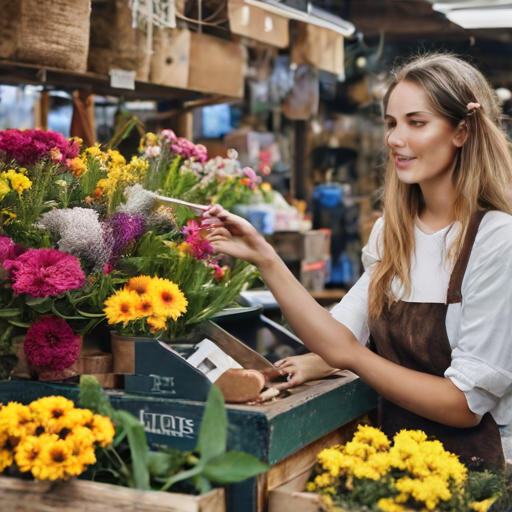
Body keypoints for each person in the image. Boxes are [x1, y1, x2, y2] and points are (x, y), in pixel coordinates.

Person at [205, 53, 512, 471]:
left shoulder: (496, 240)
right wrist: (266, 257)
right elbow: (335, 336)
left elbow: (464, 405)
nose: (395, 138)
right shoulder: (392, 232)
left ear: (462, 130)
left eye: (416, 123)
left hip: (469, 473)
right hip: (386, 463)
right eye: (391, 123)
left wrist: (353, 356)